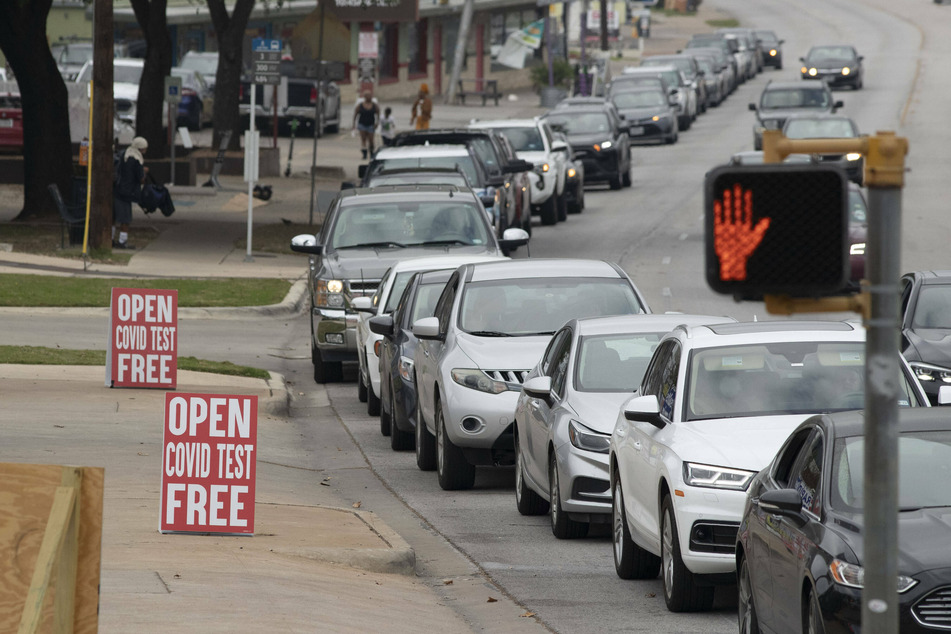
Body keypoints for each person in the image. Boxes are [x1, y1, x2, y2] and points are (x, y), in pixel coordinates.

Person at [112, 136, 148, 249]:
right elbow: (141, 179)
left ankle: (110, 239)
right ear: (141, 148)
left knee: (113, 217)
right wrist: (145, 172)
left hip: (117, 189)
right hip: (127, 192)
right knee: (125, 219)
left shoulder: (125, 154)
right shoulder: (137, 159)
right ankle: (123, 241)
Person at [352, 91, 380, 159]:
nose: (369, 97)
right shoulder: (360, 105)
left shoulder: (374, 105)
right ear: (365, 97)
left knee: (371, 140)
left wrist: (377, 123)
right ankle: (364, 153)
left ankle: (371, 152)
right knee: (363, 139)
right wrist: (354, 124)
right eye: (367, 96)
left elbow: (378, 114)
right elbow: (355, 114)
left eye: (370, 96)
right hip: (362, 124)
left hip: (371, 124)